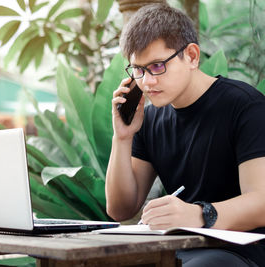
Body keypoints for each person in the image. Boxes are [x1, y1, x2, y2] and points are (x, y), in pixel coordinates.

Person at [106, 3, 265, 266]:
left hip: (240, 253)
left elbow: (261, 202)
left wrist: (198, 214)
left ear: (191, 56)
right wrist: (122, 137)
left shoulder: (245, 107)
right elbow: (120, 209)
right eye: (138, 69)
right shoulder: (150, 118)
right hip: (178, 250)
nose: (146, 81)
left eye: (157, 66)